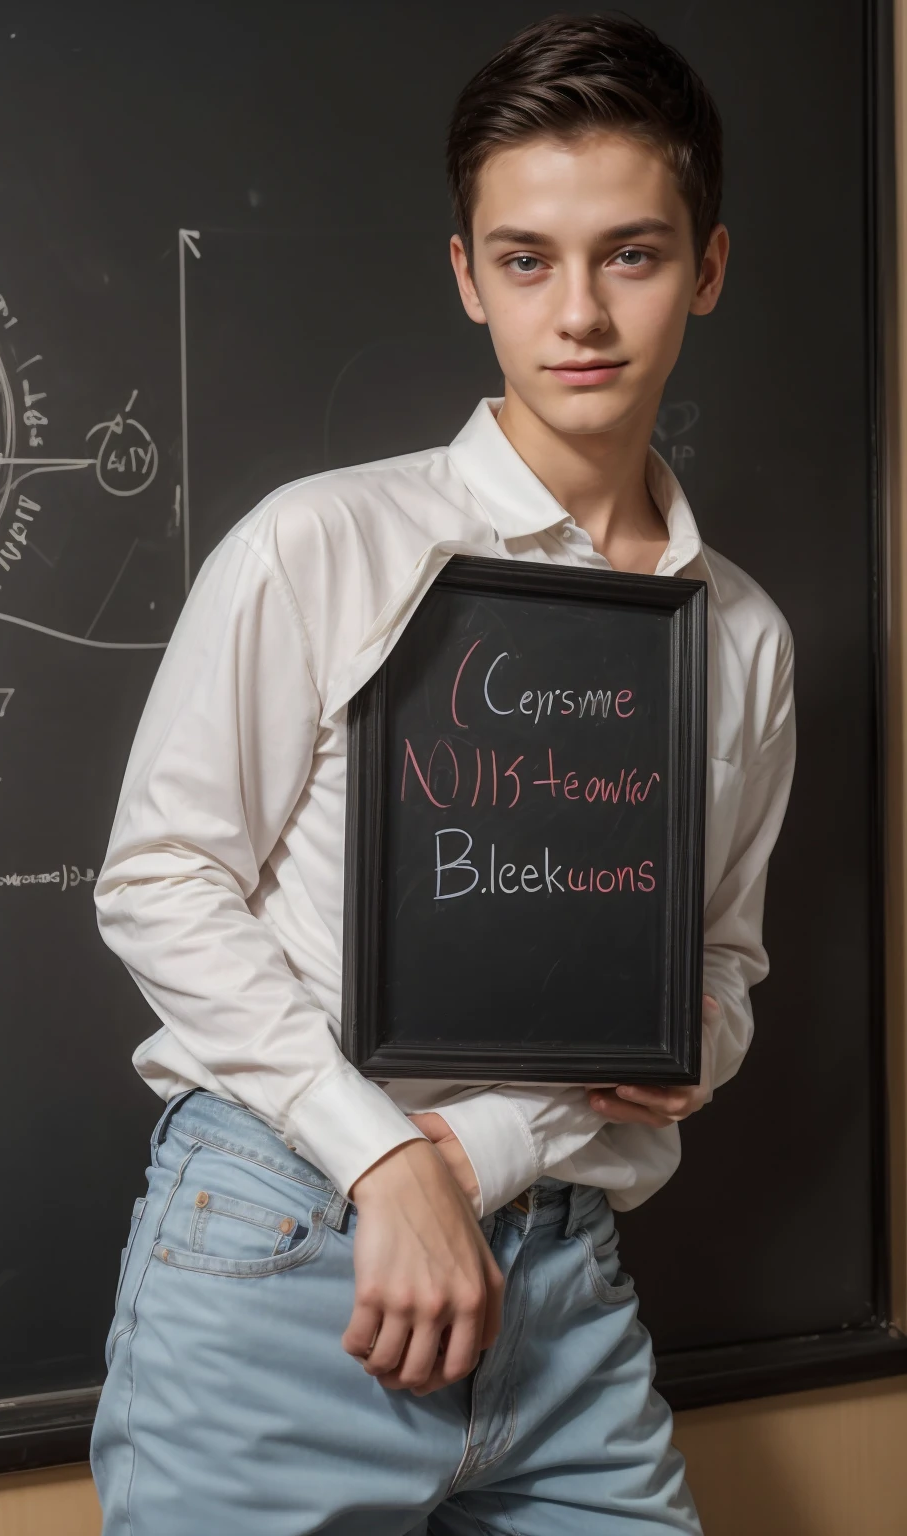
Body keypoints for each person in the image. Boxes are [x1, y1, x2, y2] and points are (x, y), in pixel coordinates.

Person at [89, 13, 795, 1534]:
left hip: (564, 1277)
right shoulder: (325, 544)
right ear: (469, 277)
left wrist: (697, 1038)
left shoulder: (740, 639)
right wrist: (383, 1166)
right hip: (291, 1246)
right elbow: (159, 882)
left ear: (710, 269)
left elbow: (725, 961)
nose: (582, 313)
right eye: (528, 259)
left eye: (634, 253)